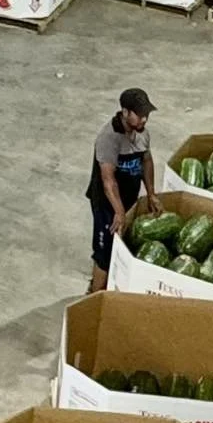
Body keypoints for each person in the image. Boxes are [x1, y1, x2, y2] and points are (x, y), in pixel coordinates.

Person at [85, 88, 156, 292]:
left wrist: (151, 193)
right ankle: (95, 294)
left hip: (127, 199)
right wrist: (118, 211)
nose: (144, 119)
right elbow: (108, 181)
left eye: (146, 115)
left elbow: (147, 161)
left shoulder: (142, 133)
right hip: (107, 203)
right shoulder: (108, 138)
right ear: (125, 112)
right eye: (140, 114)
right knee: (104, 251)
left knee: (120, 244)